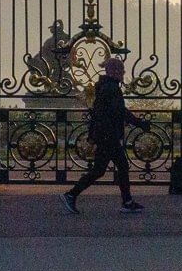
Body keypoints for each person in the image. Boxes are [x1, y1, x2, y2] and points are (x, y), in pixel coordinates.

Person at [62, 57, 147, 214]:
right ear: (113, 71)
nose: (123, 73)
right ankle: (71, 194)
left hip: (105, 134)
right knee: (105, 169)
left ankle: (127, 201)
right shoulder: (111, 88)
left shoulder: (105, 86)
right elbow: (119, 111)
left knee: (111, 168)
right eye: (121, 71)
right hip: (108, 135)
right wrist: (139, 123)